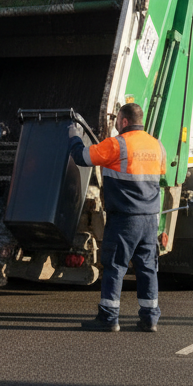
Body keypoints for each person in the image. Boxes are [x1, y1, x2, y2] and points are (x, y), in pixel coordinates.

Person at [69, 103, 168, 332]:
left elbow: (81, 157)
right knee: (147, 268)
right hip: (149, 218)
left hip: (125, 218)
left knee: (115, 266)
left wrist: (74, 135)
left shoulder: (117, 144)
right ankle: (150, 318)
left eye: (116, 121)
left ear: (123, 121)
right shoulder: (157, 146)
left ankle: (109, 317)